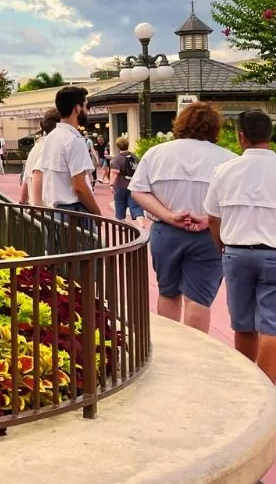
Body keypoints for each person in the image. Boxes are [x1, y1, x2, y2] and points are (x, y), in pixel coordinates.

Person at [130, 102, 236, 333]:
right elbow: (233, 200)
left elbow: (138, 190)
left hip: (165, 232)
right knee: (199, 297)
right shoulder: (229, 159)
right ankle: (196, 352)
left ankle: (170, 346)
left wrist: (169, 216)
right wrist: (207, 219)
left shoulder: (156, 153)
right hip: (209, 234)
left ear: (180, 123)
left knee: (168, 291)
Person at [206, 109, 276, 383]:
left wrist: (221, 246)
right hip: (273, 252)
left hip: (236, 252)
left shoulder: (224, 170)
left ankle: (249, 382)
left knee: (243, 323)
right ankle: (269, 385)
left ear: (241, 137)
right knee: (272, 324)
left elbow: (213, 218)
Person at [31, 87, 103, 249]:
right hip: (75, 213)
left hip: (56, 211)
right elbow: (79, 186)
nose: (87, 110)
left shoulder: (52, 137)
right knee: (84, 265)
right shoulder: (74, 140)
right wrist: (97, 213)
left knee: (62, 265)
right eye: (86, 106)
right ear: (77, 108)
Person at [20, 108, 60, 206]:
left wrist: (22, 202)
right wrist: (38, 208)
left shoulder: (36, 147)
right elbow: (37, 173)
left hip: (36, 208)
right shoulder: (52, 146)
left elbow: (26, 179)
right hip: (47, 210)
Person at [110, 136, 142, 225]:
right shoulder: (134, 156)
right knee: (135, 205)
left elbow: (114, 173)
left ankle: (121, 224)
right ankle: (141, 223)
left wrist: (111, 185)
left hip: (120, 185)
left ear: (117, 146)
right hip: (133, 185)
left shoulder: (117, 158)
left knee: (120, 203)